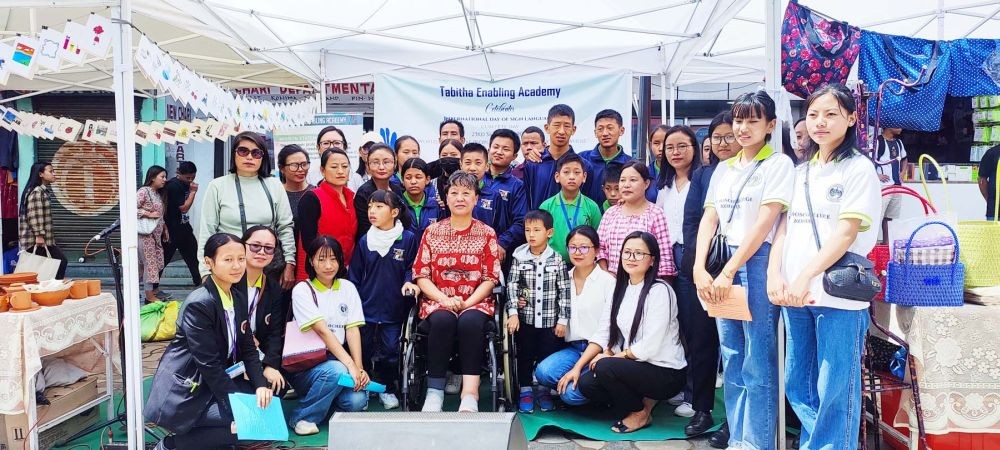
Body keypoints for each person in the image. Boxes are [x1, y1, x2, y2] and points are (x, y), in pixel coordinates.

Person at [768, 83, 881, 450]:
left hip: (837, 296)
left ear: (851, 119)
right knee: (798, 384)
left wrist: (805, 277)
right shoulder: (800, 172)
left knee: (834, 389)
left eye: (831, 114)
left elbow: (846, 234)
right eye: (814, 114)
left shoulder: (859, 170)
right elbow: (783, 227)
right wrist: (776, 274)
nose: (820, 122)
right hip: (795, 296)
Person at [693, 90, 794, 450]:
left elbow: (767, 221)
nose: (743, 128)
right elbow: (710, 217)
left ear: (770, 125)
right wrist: (698, 267)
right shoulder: (724, 166)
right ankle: (738, 438)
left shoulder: (778, 164)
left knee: (758, 359)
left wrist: (728, 270)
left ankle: (758, 442)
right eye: (739, 120)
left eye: (753, 120)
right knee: (732, 357)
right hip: (723, 264)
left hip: (756, 263)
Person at [145, 233, 271, 450]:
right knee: (246, 424)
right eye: (228, 260)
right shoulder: (199, 304)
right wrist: (238, 408)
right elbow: (209, 365)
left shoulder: (236, 296)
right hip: (189, 389)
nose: (237, 266)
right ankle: (170, 444)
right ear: (209, 263)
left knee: (264, 408)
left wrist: (261, 386)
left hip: (217, 382)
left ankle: (217, 437)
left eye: (241, 259)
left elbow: (249, 349)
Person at [571, 231, 687, 433]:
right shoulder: (620, 289)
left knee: (606, 367)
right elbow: (607, 330)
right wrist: (606, 352)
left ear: (652, 260)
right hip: (635, 366)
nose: (631, 258)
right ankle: (643, 402)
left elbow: (650, 345)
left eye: (639, 254)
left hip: (665, 371)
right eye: (627, 252)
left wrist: (614, 357)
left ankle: (639, 413)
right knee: (587, 382)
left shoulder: (660, 291)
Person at [412, 171, 502, 413]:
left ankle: (470, 393)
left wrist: (468, 302)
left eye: (466, 193)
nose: (460, 198)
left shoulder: (487, 233)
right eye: (454, 193)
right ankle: (435, 392)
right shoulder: (432, 232)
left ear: (475, 199)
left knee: (470, 323)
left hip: (476, 301)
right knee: (442, 320)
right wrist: (443, 299)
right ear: (446, 198)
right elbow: (421, 275)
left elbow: (490, 277)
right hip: (438, 300)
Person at [679, 112, 734, 443]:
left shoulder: (754, 171)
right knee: (701, 343)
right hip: (699, 272)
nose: (724, 142)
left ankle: (733, 417)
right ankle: (702, 409)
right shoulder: (703, 175)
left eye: (730, 135)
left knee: (734, 349)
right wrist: (697, 265)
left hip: (737, 272)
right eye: (718, 137)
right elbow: (692, 221)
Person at [288, 236, 369, 435]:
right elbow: (323, 331)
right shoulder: (302, 289)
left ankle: (324, 401)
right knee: (336, 370)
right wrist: (350, 365)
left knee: (357, 401)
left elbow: (352, 329)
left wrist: (358, 368)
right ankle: (302, 417)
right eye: (321, 259)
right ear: (311, 261)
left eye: (333, 259)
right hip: (307, 366)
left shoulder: (347, 288)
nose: (328, 265)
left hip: (339, 361)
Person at [348, 189, 420, 410]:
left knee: (391, 352)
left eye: (379, 207)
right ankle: (368, 386)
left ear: (395, 212)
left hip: (393, 309)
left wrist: (410, 281)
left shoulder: (407, 238)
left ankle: (388, 388)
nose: (372, 211)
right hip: (366, 308)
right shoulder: (364, 240)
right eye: (370, 206)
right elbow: (355, 276)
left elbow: (412, 268)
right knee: (366, 350)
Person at [198, 131, 296, 288]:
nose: (249, 157)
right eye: (243, 151)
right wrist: (205, 271)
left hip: (266, 266)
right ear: (234, 154)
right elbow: (207, 231)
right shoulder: (217, 186)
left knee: (265, 311)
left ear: (263, 157)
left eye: (256, 153)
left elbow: (285, 227)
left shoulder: (274, 185)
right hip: (229, 266)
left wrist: (290, 263)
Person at [535, 226, 615, 406]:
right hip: (573, 349)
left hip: (600, 352)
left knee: (571, 396)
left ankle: (602, 392)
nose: (578, 252)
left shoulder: (608, 282)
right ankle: (582, 382)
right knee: (543, 372)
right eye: (573, 247)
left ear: (597, 250)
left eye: (584, 247)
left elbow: (606, 331)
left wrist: (577, 368)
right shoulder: (563, 278)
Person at [506, 210, 571, 414]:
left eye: (536, 230)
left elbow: (565, 291)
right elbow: (512, 285)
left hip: (550, 320)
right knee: (524, 354)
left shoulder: (558, 260)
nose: (531, 235)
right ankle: (525, 389)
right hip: (526, 319)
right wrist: (514, 312)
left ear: (549, 232)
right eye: (527, 230)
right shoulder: (519, 256)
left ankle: (544, 390)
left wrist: (563, 320)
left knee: (547, 354)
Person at [597, 161, 675, 278]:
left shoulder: (656, 214)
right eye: (622, 180)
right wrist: (605, 275)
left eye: (633, 180)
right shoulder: (610, 213)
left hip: (645, 285)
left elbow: (665, 259)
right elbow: (600, 248)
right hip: (612, 284)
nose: (626, 185)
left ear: (646, 183)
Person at [297, 148, 358, 279]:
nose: (341, 171)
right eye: (334, 167)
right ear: (322, 170)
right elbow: (309, 243)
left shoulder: (353, 198)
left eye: (345, 166)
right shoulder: (312, 198)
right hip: (321, 270)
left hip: (348, 271)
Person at [241, 225, 287, 395]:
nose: (261, 252)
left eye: (268, 248)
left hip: (255, 354)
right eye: (255, 246)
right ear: (242, 246)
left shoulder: (273, 288)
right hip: (230, 355)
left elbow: (274, 333)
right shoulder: (228, 282)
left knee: (277, 386)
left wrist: (270, 365)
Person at [461, 142, 526, 262]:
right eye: (468, 163)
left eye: (478, 163)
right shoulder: (452, 193)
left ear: (486, 166)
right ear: (461, 165)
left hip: (487, 254)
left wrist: (498, 245)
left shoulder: (495, 196)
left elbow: (500, 226)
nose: (472, 168)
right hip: (458, 252)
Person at [538, 153, 603, 261]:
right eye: (566, 172)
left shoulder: (592, 207)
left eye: (577, 172)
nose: (572, 177)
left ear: (584, 177)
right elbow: (540, 238)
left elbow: (598, 238)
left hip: (583, 263)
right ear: (557, 177)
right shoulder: (546, 206)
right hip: (552, 265)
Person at [524, 104, 586, 209]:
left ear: (573, 129)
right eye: (556, 125)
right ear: (547, 128)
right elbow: (526, 202)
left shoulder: (583, 165)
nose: (561, 131)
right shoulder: (533, 163)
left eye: (566, 126)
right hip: (538, 224)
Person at [18, 161, 68, 279]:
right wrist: (39, 235)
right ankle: (53, 290)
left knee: (43, 270)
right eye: (50, 171)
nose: (54, 174)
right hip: (37, 240)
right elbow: (35, 214)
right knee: (60, 262)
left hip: (43, 239)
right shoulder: (37, 192)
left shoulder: (41, 191)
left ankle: (49, 291)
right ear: (41, 174)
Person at [580, 109, 632, 206]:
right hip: (586, 218)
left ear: (621, 130)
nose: (605, 133)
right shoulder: (582, 159)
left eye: (610, 128)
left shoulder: (631, 164)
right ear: (595, 132)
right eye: (600, 129)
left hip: (620, 218)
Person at [162, 161, 201, 287]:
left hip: (183, 227)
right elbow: (183, 208)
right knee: (164, 258)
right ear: (179, 174)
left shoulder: (184, 184)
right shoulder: (173, 185)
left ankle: (200, 282)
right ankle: (152, 286)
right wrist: (193, 192)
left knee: (193, 255)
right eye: (187, 177)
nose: (190, 180)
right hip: (172, 228)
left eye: (193, 177)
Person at [354, 143, 405, 238]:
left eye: (386, 162)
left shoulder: (396, 188)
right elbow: (365, 229)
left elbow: (406, 221)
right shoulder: (364, 193)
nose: (381, 167)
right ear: (368, 166)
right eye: (375, 162)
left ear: (394, 164)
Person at [138, 165, 170, 303]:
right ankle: (149, 296)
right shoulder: (143, 192)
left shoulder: (156, 193)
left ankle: (141, 292)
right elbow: (129, 208)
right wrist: (148, 213)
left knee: (154, 264)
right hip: (145, 236)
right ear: (152, 178)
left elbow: (159, 216)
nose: (165, 180)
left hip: (155, 236)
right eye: (162, 177)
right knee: (150, 264)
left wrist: (164, 229)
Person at [875, 127, 908, 242]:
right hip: (882, 186)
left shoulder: (898, 142)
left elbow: (904, 159)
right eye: (897, 125)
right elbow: (867, 161)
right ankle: (871, 245)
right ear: (888, 126)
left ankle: (886, 244)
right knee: (876, 217)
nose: (900, 128)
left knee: (889, 218)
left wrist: (903, 172)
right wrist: (877, 175)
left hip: (897, 185)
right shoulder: (877, 142)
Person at [401, 158, 442, 237]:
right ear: (402, 180)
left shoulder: (437, 205)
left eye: (418, 177)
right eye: (408, 178)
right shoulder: (397, 205)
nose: (413, 182)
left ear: (427, 180)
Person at [278, 144, 314, 225]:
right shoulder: (276, 194)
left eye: (304, 164)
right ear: (282, 168)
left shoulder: (315, 193)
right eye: (294, 165)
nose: (301, 169)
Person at [980, 143, 1000, 220]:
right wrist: (989, 199)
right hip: (995, 210)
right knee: (994, 232)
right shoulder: (992, 153)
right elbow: (982, 179)